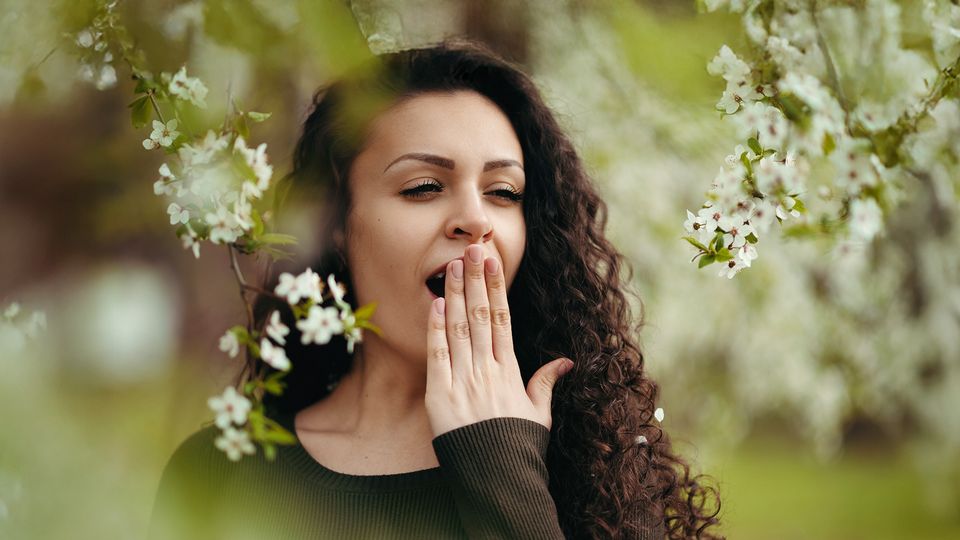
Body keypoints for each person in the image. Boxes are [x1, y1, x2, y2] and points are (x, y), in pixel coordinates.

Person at [150, 39, 722, 539]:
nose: (476, 219)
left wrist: (503, 469)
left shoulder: (598, 474)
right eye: (424, 186)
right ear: (337, 226)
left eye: (504, 192)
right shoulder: (217, 472)